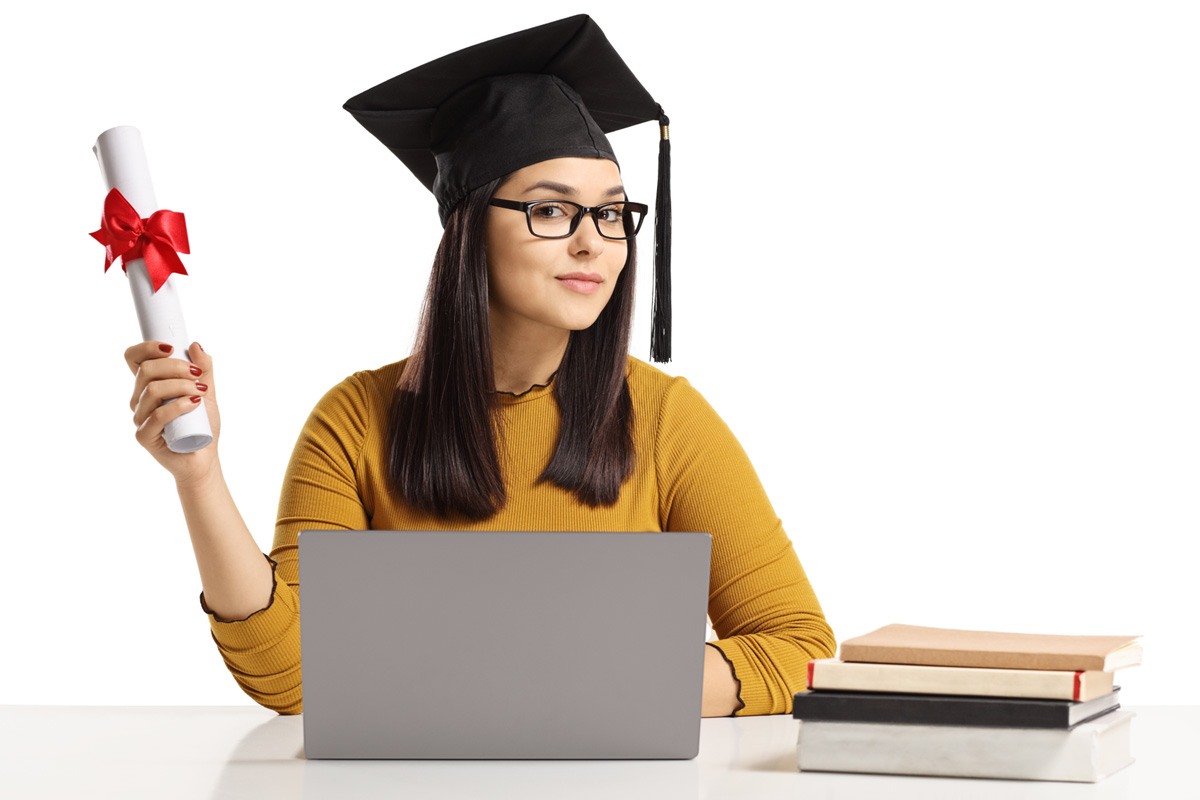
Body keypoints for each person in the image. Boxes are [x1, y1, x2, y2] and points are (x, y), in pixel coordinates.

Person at [123, 15, 835, 718]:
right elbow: (297, 679)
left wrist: (542, 679)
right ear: (468, 229)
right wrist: (201, 476)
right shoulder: (356, 421)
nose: (593, 243)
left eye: (612, 214)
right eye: (552, 211)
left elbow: (798, 650)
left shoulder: (665, 418)